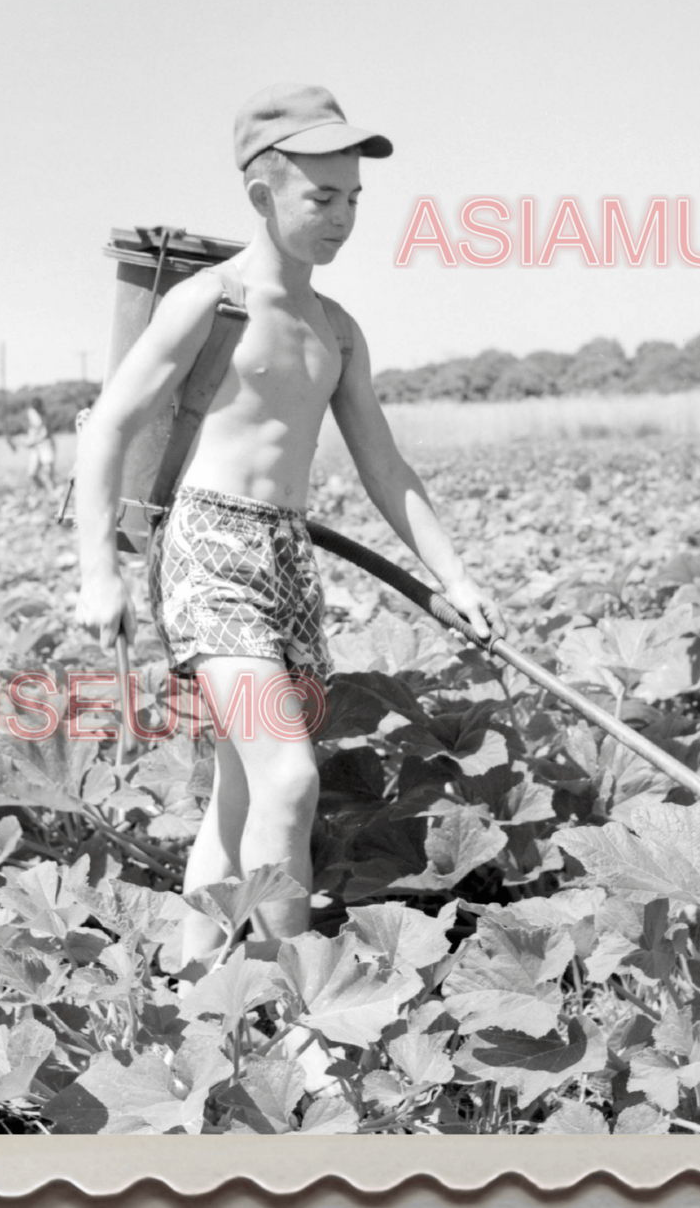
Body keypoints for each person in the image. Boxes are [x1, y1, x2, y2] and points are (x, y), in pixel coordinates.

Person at [76, 83, 506, 966]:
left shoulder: (337, 329)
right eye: (322, 196)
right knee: (289, 775)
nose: (343, 216)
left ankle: (193, 984)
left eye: (353, 198)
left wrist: (453, 576)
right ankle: (300, 1007)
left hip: (286, 557)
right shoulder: (210, 301)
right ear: (261, 194)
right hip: (208, 548)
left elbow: (386, 468)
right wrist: (98, 569)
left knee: (241, 795)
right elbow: (110, 424)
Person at [17, 396, 58, 497]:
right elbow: (34, 430)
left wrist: (31, 441)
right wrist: (28, 441)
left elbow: (45, 433)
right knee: (32, 473)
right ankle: (44, 490)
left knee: (48, 472)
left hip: (45, 446)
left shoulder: (44, 415)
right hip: (36, 448)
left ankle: (51, 492)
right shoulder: (31, 413)